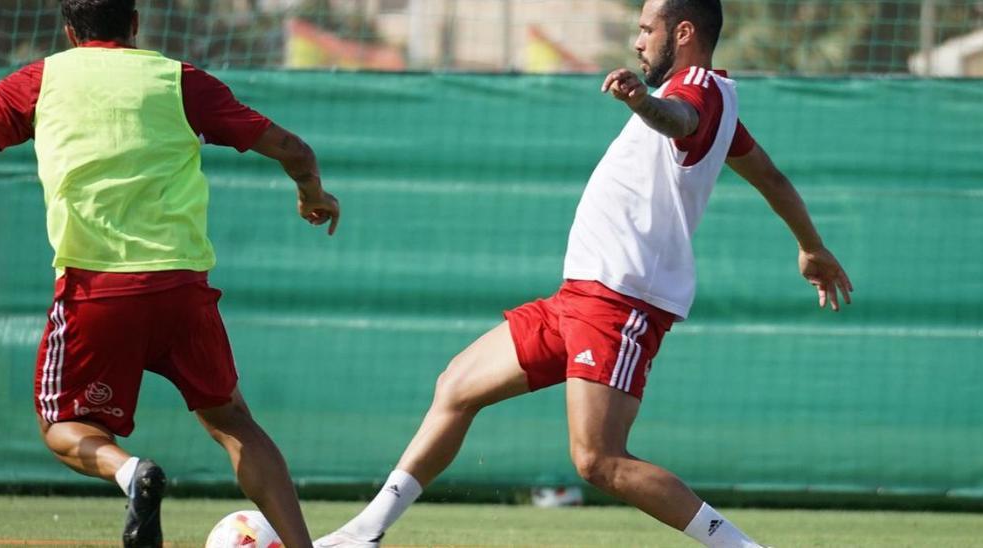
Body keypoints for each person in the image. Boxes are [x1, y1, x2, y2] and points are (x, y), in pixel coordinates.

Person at [316, 0, 851, 546]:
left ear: (684, 32)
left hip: (619, 301)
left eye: (647, 29)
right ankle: (366, 531)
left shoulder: (697, 92)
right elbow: (772, 178)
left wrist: (642, 101)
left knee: (599, 460)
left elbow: (680, 119)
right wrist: (810, 245)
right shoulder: (717, 97)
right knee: (456, 385)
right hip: (577, 297)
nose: (638, 41)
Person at [0, 1, 339, 546]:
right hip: (182, 291)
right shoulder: (178, 81)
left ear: (70, 30)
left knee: (62, 428)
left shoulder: (39, 81)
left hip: (94, 291)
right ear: (135, 22)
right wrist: (313, 193)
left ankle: (131, 472)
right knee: (234, 423)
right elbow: (293, 149)